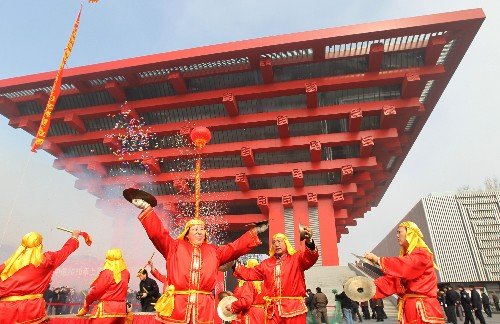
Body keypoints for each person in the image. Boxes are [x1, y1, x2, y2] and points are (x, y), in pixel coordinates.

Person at [128, 189, 267, 323]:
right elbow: (157, 234)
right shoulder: (174, 247)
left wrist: (254, 232)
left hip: (202, 309)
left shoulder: (213, 251)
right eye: (195, 229)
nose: (199, 232)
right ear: (187, 233)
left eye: (202, 229)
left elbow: (234, 248)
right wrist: (146, 207)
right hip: (178, 308)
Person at [364, 221, 445, 324]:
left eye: (399, 232)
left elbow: (405, 266)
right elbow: (393, 281)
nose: (397, 236)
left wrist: (378, 260)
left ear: (410, 233)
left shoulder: (422, 254)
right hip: (411, 307)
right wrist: (367, 288)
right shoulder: (408, 259)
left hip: (422, 308)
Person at [233, 230, 319, 323]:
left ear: (286, 243)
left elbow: (310, 257)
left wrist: (309, 242)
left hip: (294, 308)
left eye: (279, 241)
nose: (276, 244)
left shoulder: (296, 258)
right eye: (274, 242)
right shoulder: (266, 263)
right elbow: (250, 273)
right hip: (273, 311)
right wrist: (233, 265)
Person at [0, 230, 81, 323]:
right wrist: (74, 237)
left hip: (4, 310)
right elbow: (65, 251)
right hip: (31, 309)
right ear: (40, 245)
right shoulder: (47, 260)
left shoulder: (8, 264)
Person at [77, 248, 131, 323]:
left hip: (107, 309)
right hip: (121, 310)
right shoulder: (126, 273)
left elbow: (96, 291)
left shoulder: (107, 273)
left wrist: (87, 300)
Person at [227, 258, 265, 324]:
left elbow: (246, 301)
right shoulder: (264, 283)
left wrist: (232, 306)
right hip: (262, 314)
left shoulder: (249, 282)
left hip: (251, 315)